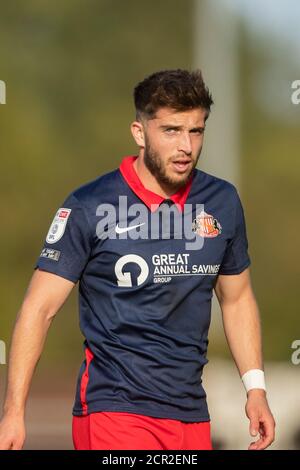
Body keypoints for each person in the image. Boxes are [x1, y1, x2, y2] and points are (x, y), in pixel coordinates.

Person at [0, 69, 275, 450]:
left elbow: (237, 298)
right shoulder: (90, 205)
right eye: (171, 130)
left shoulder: (222, 201)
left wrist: (255, 389)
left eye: (196, 131)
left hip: (191, 413)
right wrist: (14, 412)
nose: (186, 146)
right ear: (139, 132)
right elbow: (38, 309)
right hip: (114, 409)